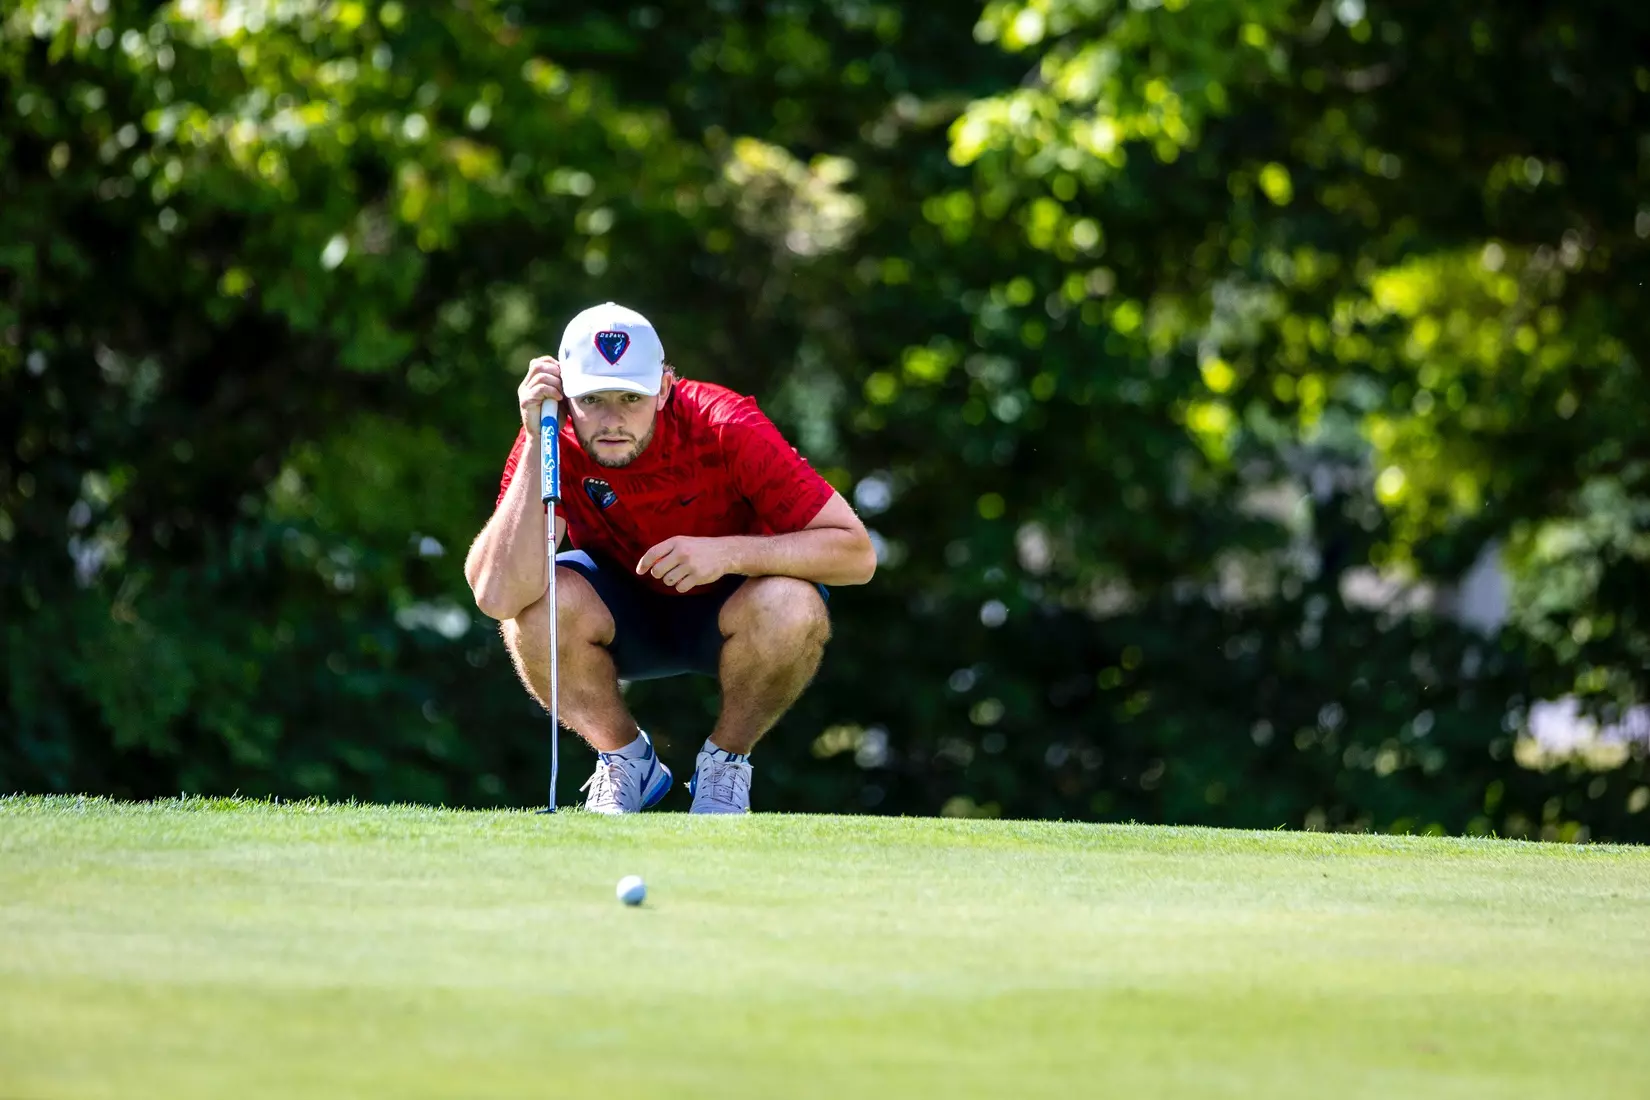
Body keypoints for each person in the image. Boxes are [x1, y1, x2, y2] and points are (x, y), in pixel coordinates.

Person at [464, 302, 877, 814]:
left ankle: (724, 767)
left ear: (663, 388)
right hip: (622, 614)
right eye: (592, 398)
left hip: (730, 609)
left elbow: (856, 554)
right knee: (533, 611)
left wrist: (726, 554)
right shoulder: (555, 437)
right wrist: (534, 439)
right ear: (565, 395)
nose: (612, 420)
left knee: (793, 604)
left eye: (631, 398)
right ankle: (626, 761)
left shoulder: (725, 423)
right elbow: (496, 594)